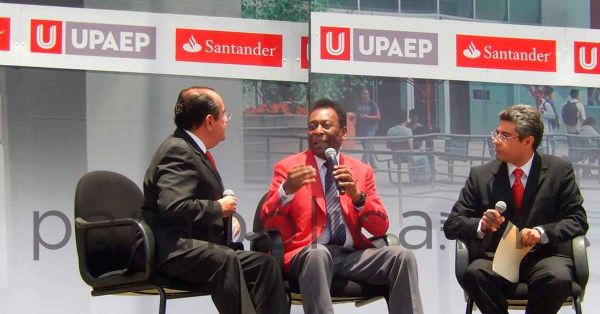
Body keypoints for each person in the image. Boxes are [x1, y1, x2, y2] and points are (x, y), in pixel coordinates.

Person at [260, 98, 423, 314]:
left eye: (326, 125)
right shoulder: (289, 168)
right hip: (308, 254)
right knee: (318, 254)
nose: (317, 131)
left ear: (343, 132)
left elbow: (379, 228)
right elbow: (267, 221)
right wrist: (286, 190)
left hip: (351, 255)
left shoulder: (361, 171)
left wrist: (357, 197)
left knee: (402, 256)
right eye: (312, 126)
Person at [141, 86, 287, 314]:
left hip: (198, 245)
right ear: (209, 121)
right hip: (173, 249)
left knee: (264, 265)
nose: (227, 120)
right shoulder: (178, 150)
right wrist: (219, 208)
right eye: (224, 114)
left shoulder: (191, 149)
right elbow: (173, 207)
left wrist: (225, 221)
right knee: (225, 259)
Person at [443, 104, 588, 314]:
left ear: (527, 141)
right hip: (496, 258)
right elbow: (452, 224)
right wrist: (482, 225)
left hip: (545, 257)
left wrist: (542, 232)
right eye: (496, 133)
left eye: (504, 136)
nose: (495, 140)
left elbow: (577, 219)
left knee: (558, 278)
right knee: (475, 273)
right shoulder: (481, 175)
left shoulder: (559, 171)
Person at [386, 111, 431, 183]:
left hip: (396, 157)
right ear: (406, 119)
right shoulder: (407, 131)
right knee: (423, 157)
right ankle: (426, 178)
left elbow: (387, 146)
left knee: (416, 156)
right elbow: (411, 148)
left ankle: (416, 177)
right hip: (407, 157)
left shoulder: (390, 130)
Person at [356, 88, 381, 168]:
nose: (365, 95)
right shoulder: (359, 104)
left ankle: (363, 164)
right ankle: (373, 164)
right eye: (364, 93)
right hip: (362, 128)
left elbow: (378, 116)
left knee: (367, 145)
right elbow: (357, 115)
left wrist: (368, 116)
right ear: (361, 95)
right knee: (366, 146)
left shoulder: (372, 104)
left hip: (371, 128)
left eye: (367, 93)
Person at [538, 86, 559, 153]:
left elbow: (553, 115)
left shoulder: (545, 103)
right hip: (546, 127)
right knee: (547, 144)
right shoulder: (544, 103)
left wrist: (543, 112)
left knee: (548, 143)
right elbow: (553, 115)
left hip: (547, 127)